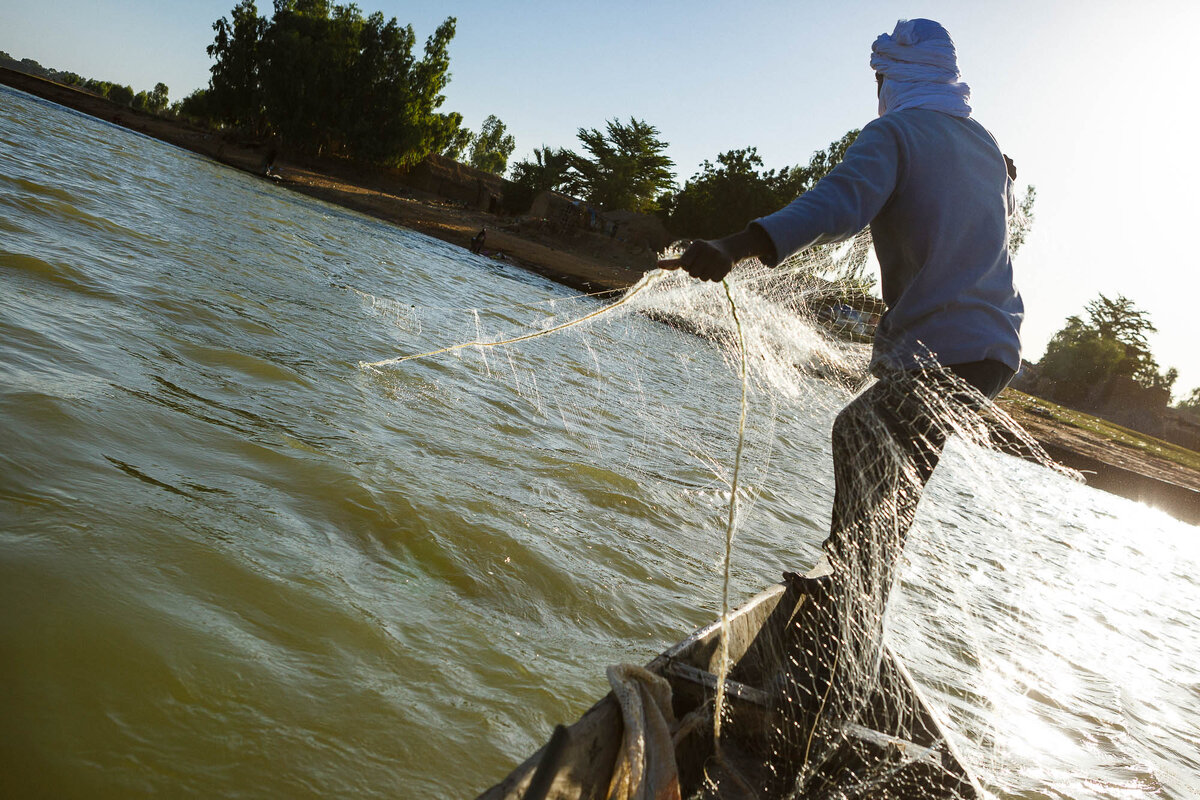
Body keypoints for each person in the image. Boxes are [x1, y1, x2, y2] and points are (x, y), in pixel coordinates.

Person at [661, 19, 1023, 609]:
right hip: (994, 353)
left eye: (880, 78)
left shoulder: (897, 132)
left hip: (947, 348)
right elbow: (999, 205)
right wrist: (1003, 175)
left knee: (859, 431)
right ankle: (858, 606)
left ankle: (844, 591)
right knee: (894, 482)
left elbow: (834, 205)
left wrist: (734, 244)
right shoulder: (982, 143)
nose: (877, 90)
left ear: (893, 76)